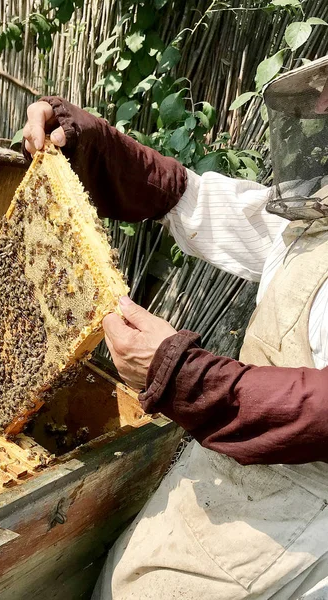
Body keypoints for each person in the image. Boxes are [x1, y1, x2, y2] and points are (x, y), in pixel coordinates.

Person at [22, 55, 328, 599]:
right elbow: (201, 202)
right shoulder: (315, 216)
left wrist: (185, 376)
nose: (323, 107)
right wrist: (91, 142)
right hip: (231, 471)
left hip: (297, 522)